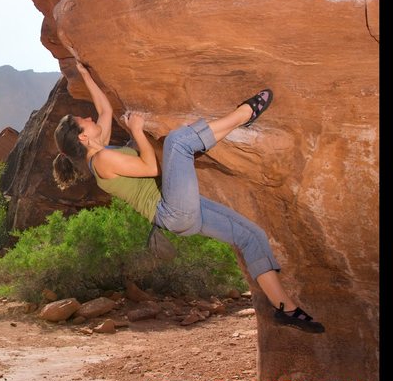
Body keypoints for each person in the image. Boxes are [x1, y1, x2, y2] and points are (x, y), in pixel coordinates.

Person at [52, 57, 325, 334]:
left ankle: (287, 309)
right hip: (172, 211)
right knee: (177, 142)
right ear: (83, 138)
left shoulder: (99, 149)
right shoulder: (101, 160)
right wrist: (136, 131)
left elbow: (105, 109)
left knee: (250, 235)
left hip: (181, 214)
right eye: (82, 121)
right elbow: (149, 166)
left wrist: (84, 72)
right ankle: (244, 115)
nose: (88, 118)